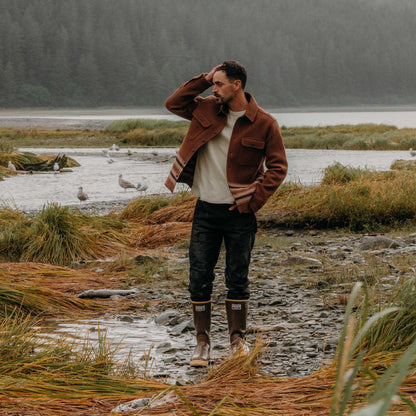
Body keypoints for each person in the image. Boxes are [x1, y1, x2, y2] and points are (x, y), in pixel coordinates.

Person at [165, 60, 288, 367]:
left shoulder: (264, 123)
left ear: (237, 85)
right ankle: (202, 344)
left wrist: (254, 200)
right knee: (199, 278)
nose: (214, 89)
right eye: (213, 84)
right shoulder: (205, 108)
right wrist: (204, 78)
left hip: (239, 214)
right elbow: (173, 102)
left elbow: (278, 167)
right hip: (205, 209)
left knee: (237, 277)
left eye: (219, 84)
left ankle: (237, 342)